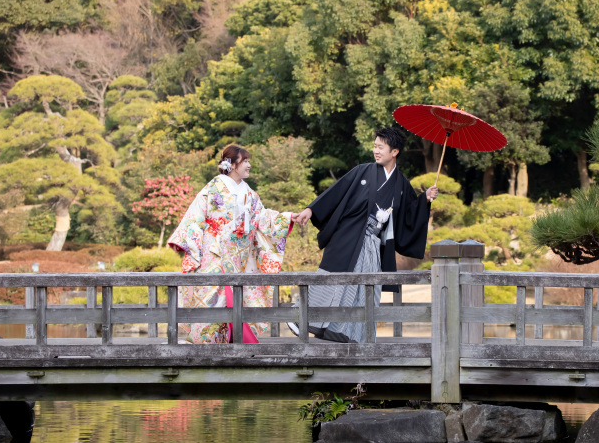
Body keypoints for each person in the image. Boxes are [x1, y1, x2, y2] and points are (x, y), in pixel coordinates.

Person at [289, 127, 438, 343]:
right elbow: (336, 192)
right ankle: (298, 318)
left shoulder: (401, 184)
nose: (375, 150)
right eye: (375, 146)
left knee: (364, 287)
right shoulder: (362, 171)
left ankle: (349, 333)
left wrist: (424, 198)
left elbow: (409, 213)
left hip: (374, 245)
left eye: (380, 147)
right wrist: (310, 210)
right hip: (349, 238)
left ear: (394, 151)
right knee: (332, 280)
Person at [168, 144, 293, 344]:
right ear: (233, 164)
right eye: (245, 161)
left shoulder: (249, 193)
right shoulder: (215, 187)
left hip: (239, 255)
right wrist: (185, 240)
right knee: (212, 296)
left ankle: (230, 341)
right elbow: (195, 215)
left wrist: (288, 218)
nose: (249, 165)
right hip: (214, 252)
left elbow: (262, 217)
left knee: (236, 297)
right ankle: (205, 343)